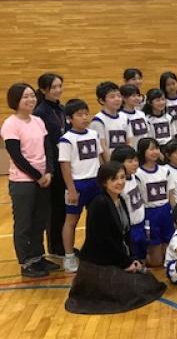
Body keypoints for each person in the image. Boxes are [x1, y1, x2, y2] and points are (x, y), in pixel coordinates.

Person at [65, 161, 167, 315]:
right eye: (114, 179)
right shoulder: (99, 203)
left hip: (118, 256)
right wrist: (125, 263)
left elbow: (126, 234)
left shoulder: (121, 200)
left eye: (122, 177)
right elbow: (104, 241)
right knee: (133, 292)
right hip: (100, 262)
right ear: (104, 182)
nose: (120, 182)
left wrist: (132, 259)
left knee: (148, 281)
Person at [1, 82, 57, 278]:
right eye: (25, 96)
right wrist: (38, 176)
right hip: (23, 182)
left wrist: (49, 171)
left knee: (40, 220)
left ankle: (38, 257)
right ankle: (26, 262)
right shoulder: (10, 124)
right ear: (15, 100)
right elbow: (17, 157)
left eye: (32, 95)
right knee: (24, 223)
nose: (31, 99)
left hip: (43, 179)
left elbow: (47, 147)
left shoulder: (37, 121)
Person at [59, 98, 103, 273]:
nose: (85, 117)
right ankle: (69, 256)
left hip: (96, 183)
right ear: (70, 119)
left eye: (86, 113)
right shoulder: (66, 140)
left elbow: (100, 157)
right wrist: (71, 189)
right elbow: (65, 166)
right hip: (77, 185)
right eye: (79, 115)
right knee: (71, 221)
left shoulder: (93, 134)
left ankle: (93, 252)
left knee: (96, 220)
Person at [33, 73, 66, 258]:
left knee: (62, 207)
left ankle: (61, 244)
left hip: (64, 163)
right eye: (53, 87)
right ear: (44, 90)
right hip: (52, 165)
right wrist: (49, 169)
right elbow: (44, 145)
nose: (58, 90)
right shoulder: (40, 112)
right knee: (54, 209)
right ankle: (55, 246)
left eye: (60, 86)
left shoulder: (61, 109)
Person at [137, 137, 172, 267]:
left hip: (166, 211)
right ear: (142, 152)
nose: (155, 152)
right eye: (151, 149)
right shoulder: (138, 173)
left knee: (167, 256)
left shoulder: (165, 170)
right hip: (150, 214)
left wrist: (173, 211)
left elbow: (170, 193)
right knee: (156, 261)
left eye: (157, 148)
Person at [90, 81, 131, 161]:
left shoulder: (124, 117)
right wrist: (112, 165)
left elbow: (129, 142)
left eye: (119, 96)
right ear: (102, 101)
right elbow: (102, 147)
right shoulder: (98, 121)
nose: (117, 99)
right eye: (112, 97)